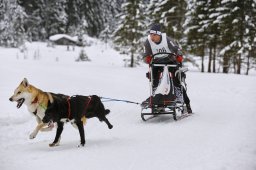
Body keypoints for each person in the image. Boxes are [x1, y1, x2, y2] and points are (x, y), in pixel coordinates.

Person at [142, 23, 192, 113]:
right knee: (154, 78)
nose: (152, 37)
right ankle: (156, 97)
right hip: (157, 62)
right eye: (150, 35)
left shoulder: (167, 40)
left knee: (177, 79)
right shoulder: (148, 43)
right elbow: (145, 56)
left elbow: (177, 49)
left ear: (159, 34)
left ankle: (182, 98)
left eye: (154, 35)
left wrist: (179, 56)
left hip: (170, 61)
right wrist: (147, 59)